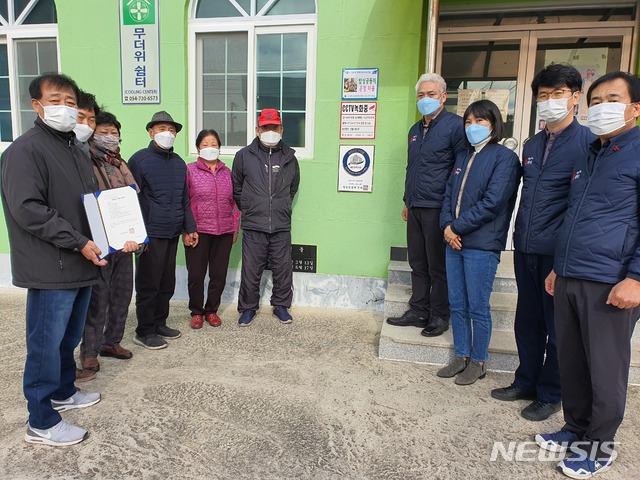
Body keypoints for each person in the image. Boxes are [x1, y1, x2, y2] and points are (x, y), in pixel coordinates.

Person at [538, 71, 640, 479]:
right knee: (573, 360)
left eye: (612, 99)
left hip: (611, 281)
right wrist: (558, 268)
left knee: (605, 367)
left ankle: (599, 446)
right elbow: (575, 217)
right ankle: (575, 428)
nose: (601, 108)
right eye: (595, 102)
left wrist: (636, 277)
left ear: (635, 108)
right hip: (571, 274)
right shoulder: (589, 154)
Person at [0, 73, 104, 446]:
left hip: (80, 260)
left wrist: (108, 237)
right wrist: (79, 241)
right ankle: (41, 420)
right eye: (56, 99)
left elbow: (88, 205)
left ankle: (63, 392)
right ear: (37, 105)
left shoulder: (74, 148)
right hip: (51, 265)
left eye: (71, 102)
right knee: (45, 343)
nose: (65, 107)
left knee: (68, 337)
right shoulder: (24, 151)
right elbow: (28, 209)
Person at [491, 64, 595, 421]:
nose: (550, 102)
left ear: (576, 97)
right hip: (526, 247)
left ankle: (552, 393)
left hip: (558, 252)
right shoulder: (533, 144)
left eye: (558, 94)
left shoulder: (588, 144)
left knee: (558, 329)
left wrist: (563, 257)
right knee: (527, 320)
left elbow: (579, 207)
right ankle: (526, 382)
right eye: (544, 96)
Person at [436, 99, 521, 385]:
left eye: (480, 122)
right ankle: (460, 356)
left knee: (477, 306)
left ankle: (479, 360)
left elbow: (493, 202)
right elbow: (449, 195)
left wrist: (455, 227)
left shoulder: (505, 158)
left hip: (481, 245)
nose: (473, 127)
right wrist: (447, 227)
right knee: (457, 304)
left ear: (494, 125)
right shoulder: (463, 155)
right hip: (454, 241)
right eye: (469, 122)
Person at [387, 73, 465, 337]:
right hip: (416, 205)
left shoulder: (455, 126)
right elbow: (413, 168)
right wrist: (407, 201)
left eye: (431, 94)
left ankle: (440, 314)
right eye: (421, 95)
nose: (425, 99)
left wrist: (452, 211)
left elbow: (460, 170)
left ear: (443, 96)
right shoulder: (414, 130)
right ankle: (418, 309)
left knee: (437, 265)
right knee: (417, 262)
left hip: (438, 207)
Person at [76, 112, 140, 382]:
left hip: (123, 241)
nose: (110, 136)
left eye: (114, 132)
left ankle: (111, 341)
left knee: (122, 293)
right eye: (104, 131)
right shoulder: (83, 160)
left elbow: (133, 196)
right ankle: (89, 351)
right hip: (98, 242)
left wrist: (137, 234)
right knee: (98, 299)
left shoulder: (120, 162)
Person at [128, 111, 197, 349]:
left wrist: (189, 228)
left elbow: (184, 199)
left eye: (171, 129)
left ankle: (159, 323)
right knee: (149, 283)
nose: (166, 133)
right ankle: (144, 330)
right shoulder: (139, 160)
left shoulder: (179, 163)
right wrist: (136, 233)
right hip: (150, 234)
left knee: (166, 282)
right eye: (161, 129)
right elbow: (132, 199)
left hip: (172, 232)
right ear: (150, 132)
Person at [231, 108, 300, 326]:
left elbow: (293, 187)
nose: (270, 131)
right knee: (251, 271)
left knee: (282, 269)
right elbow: (237, 187)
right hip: (254, 225)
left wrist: (280, 205)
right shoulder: (244, 156)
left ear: (281, 129)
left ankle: (281, 306)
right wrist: (251, 207)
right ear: (257, 130)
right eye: (265, 127)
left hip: (280, 224)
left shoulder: (289, 157)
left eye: (274, 127)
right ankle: (248, 308)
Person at [184, 129, 239, 329]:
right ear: (198, 148)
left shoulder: (227, 172)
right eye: (205, 144)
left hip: (224, 231)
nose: (210, 148)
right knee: (196, 274)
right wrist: (187, 230)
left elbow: (234, 203)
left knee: (219, 274)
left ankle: (212, 310)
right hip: (198, 231)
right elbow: (184, 202)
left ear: (219, 147)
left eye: (214, 144)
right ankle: (196, 312)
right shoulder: (189, 170)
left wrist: (235, 227)